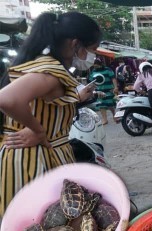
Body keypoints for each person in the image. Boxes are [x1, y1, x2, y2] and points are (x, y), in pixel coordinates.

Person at [0, 12, 101, 216]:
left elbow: (45, 104)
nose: (93, 56)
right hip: (35, 159)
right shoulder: (51, 70)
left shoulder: (45, 65)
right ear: (75, 44)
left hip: (34, 155)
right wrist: (37, 131)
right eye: (92, 49)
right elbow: (7, 99)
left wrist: (77, 97)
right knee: (41, 226)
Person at [89, 58, 118, 125]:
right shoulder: (93, 71)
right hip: (99, 91)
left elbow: (113, 78)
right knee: (101, 105)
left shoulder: (108, 70)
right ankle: (105, 119)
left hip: (108, 90)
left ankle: (114, 116)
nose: (95, 67)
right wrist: (92, 89)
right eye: (94, 66)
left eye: (97, 66)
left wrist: (115, 87)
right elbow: (91, 81)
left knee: (110, 105)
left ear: (100, 64)